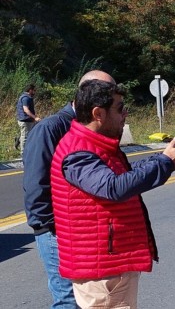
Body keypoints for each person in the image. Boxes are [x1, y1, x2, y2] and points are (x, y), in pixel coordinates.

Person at [50, 79, 175, 308]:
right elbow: (114, 188)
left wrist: (164, 160)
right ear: (98, 113)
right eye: (120, 108)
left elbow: (125, 176)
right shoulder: (78, 153)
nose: (125, 114)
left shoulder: (95, 145)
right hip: (103, 269)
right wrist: (164, 163)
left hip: (109, 265)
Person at [23, 70, 115, 308]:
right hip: (57, 231)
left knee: (91, 297)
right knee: (68, 299)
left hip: (83, 231)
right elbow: (36, 184)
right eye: (108, 93)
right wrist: (54, 226)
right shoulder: (52, 128)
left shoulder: (94, 126)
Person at [17, 84, 41, 152]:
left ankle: (18, 140)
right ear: (30, 90)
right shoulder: (26, 98)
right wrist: (35, 117)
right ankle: (23, 153)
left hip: (28, 120)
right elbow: (26, 110)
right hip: (25, 120)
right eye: (34, 90)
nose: (35, 92)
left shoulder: (27, 97)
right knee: (25, 137)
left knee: (30, 134)